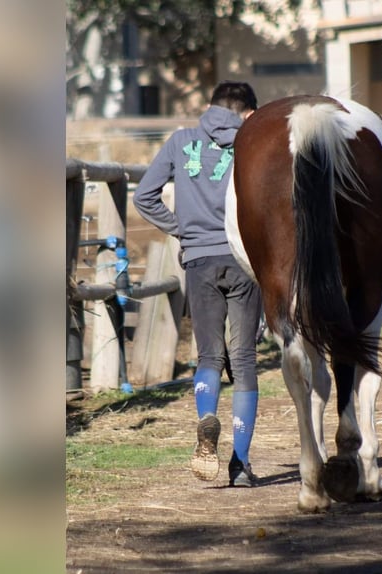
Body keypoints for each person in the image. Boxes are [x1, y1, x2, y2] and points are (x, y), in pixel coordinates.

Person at [133, 82, 262, 487]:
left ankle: (207, 418)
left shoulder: (180, 140)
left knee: (208, 355)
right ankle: (240, 464)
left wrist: (183, 230)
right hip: (243, 259)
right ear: (247, 114)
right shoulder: (253, 144)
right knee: (242, 361)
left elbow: (144, 197)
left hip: (199, 259)